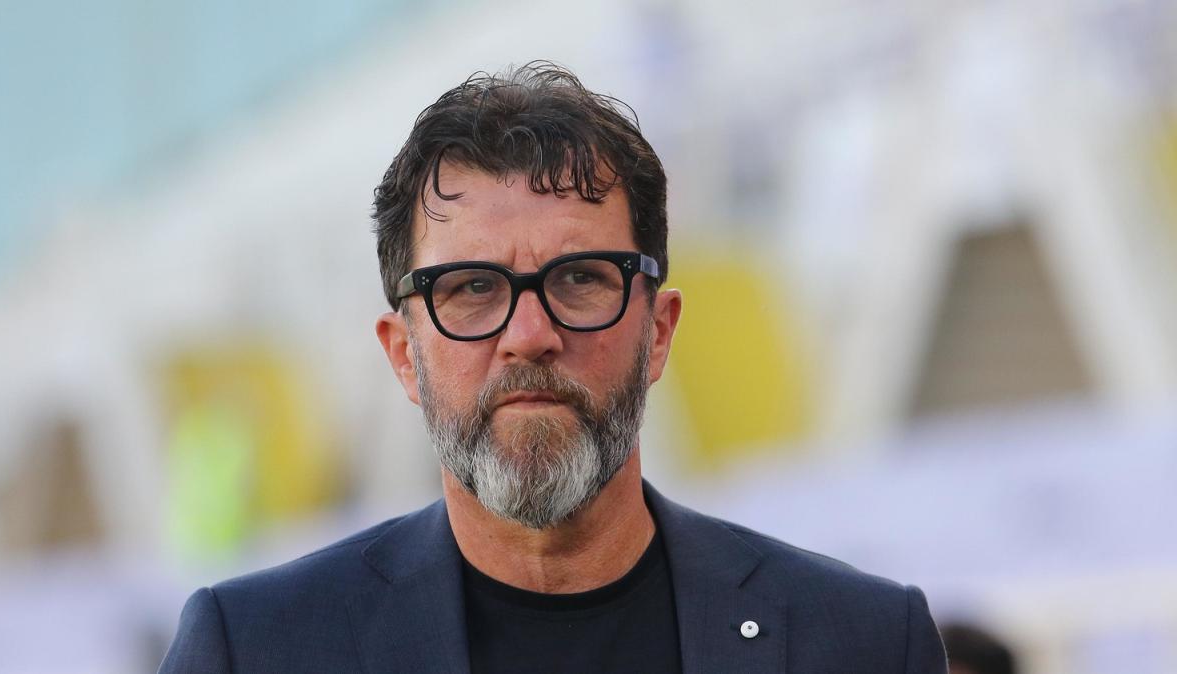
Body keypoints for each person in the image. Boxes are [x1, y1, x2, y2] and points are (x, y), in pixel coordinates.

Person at [159, 61, 947, 673]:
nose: (529, 335)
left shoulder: (864, 643)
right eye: (472, 288)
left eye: (578, 279)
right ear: (403, 354)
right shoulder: (258, 650)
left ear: (659, 332)